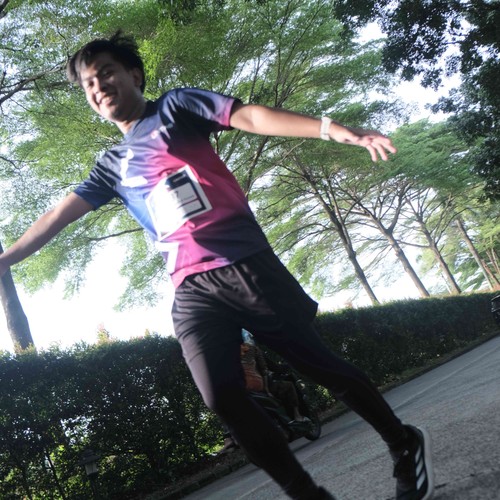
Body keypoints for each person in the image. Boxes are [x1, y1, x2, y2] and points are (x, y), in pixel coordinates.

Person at [0, 32, 433, 500]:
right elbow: (57, 216)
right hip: (191, 288)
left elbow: (250, 116)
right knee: (221, 395)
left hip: (244, 263)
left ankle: (401, 441)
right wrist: (5, 259)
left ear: (135, 75)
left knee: (320, 366)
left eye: (106, 72)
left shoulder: (176, 108)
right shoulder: (111, 165)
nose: (98, 86)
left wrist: (333, 129)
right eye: (88, 83)